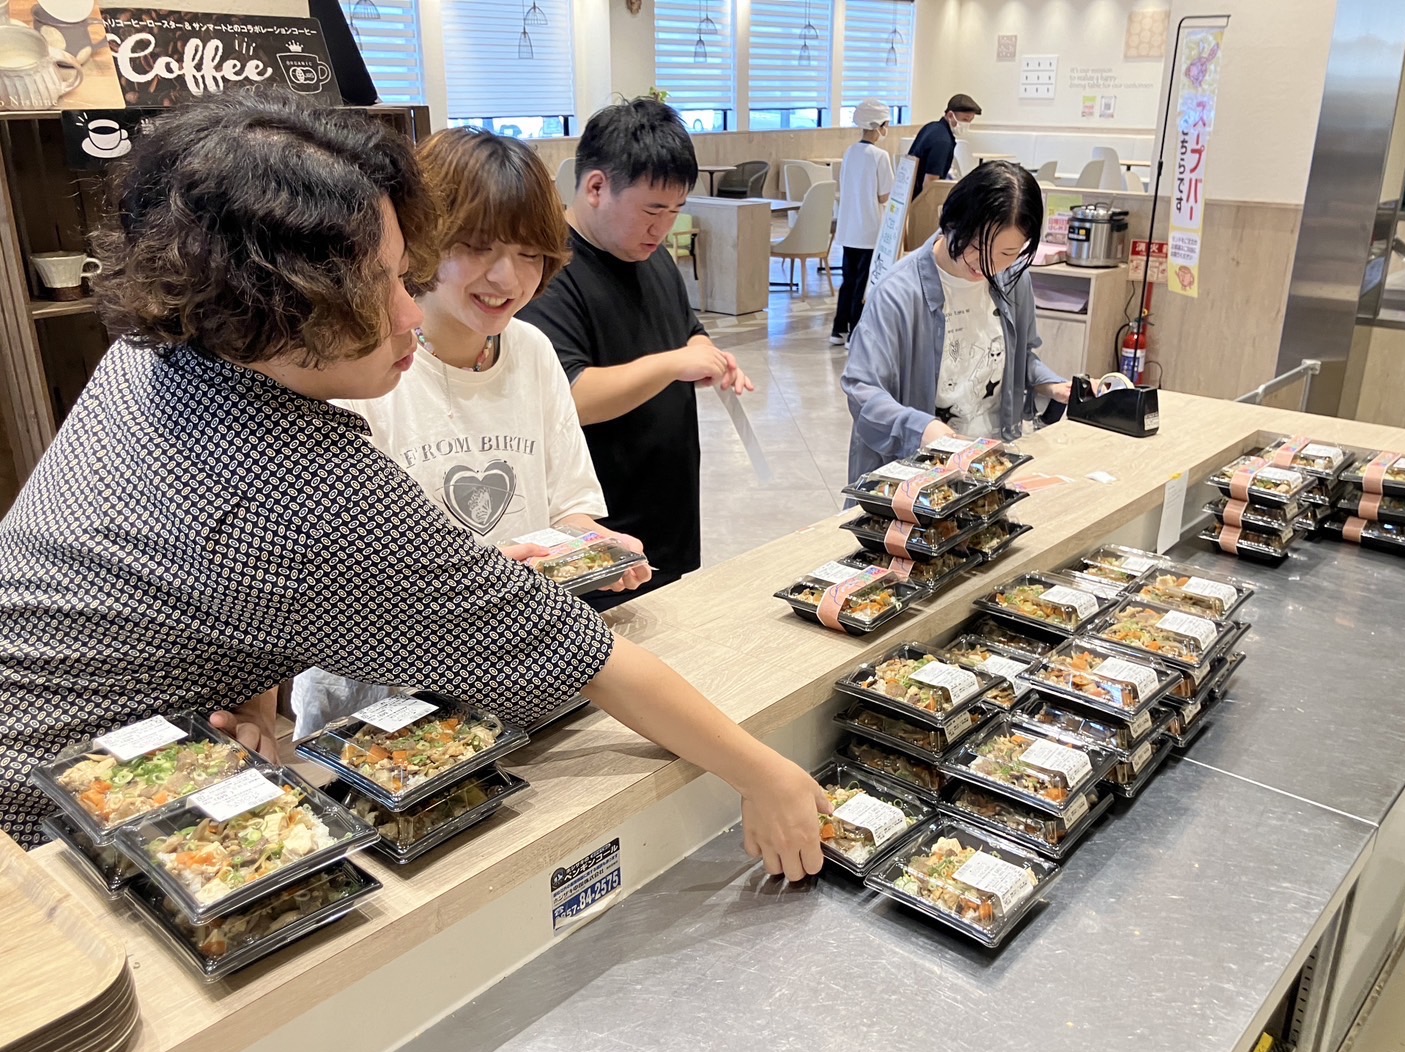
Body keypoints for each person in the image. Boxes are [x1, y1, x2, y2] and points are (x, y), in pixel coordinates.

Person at [0, 93, 828, 883]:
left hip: (109, 760)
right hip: (50, 828)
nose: (410, 312)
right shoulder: (309, 489)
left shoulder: (158, 351)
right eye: (388, 283)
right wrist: (766, 776)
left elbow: (212, 584)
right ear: (280, 297)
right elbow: (584, 657)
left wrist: (244, 699)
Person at [290, 127, 652, 738]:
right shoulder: (360, 368)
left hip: (513, 674)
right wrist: (474, 582)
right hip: (383, 707)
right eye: (478, 246)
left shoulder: (532, 350)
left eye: (530, 254)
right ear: (418, 242)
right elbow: (324, 581)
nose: (507, 279)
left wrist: (597, 547)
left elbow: (567, 508)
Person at [519, 97, 753, 609]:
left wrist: (705, 353)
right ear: (596, 187)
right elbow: (570, 396)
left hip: (667, 517)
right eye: (651, 210)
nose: (663, 227)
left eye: (675, 211)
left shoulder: (651, 256)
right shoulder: (549, 271)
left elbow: (686, 331)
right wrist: (672, 364)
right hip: (602, 536)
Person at [841, 161, 1070, 481]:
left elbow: (1018, 358)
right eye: (977, 246)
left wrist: (1052, 385)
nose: (987, 265)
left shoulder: (1013, 281)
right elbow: (862, 388)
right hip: (918, 476)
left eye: (1007, 253)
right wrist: (924, 429)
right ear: (952, 221)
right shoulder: (899, 293)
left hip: (991, 462)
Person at [830, 98, 895, 348]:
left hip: (849, 228)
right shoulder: (880, 156)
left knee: (848, 280)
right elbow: (884, 195)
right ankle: (855, 331)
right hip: (870, 229)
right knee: (863, 283)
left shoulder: (850, 152)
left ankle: (838, 329)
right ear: (879, 125)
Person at [906, 92, 981, 197]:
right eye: (964, 119)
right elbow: (930, 184)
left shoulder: (930, 127)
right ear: (950, 115)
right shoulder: (943, 142)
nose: (967, 124)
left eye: (970, 121)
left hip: (906, 193)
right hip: (918, 198)